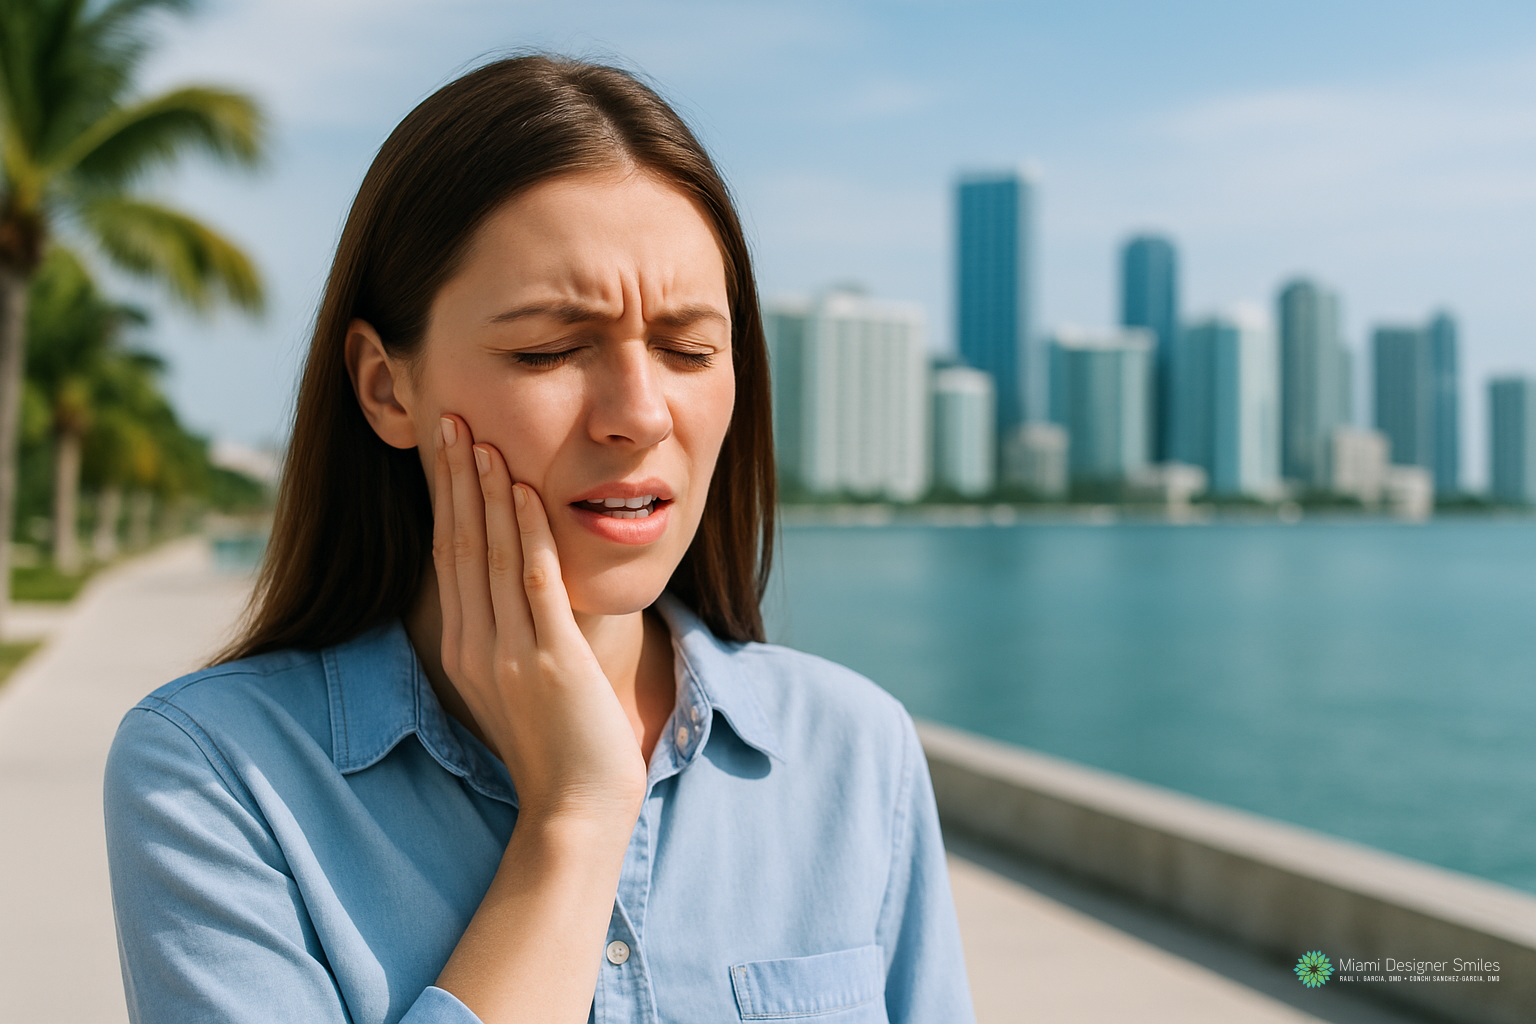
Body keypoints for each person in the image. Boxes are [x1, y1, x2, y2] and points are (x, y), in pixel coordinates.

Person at [103, 55, 974, 1024]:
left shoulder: (852, 754)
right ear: (387, 386)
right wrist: (576, 824)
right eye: (548, 350)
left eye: (689, 349)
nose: (639, 414)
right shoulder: (218, 773)